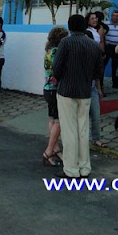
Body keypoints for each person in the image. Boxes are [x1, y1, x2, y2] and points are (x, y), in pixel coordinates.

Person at [52, 14, 104, 179]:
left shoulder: (65, 43)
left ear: (69, 27)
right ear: (84, 26)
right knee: (83, 130)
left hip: (67, 91)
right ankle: (84, 167)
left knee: (69, 131)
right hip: (85, 91)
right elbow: (99, 71)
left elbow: (57, 67)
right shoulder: (93, 45)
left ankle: (71, 169)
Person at [42, 26, 69, 166]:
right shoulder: (57, 52)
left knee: (52, 119)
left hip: (48, 89)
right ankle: (49, 150)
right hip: (55, 89)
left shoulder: (48, 50)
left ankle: (56, 149)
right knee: (59, 122)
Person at [104, 10, 118, 89]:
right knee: (104, 64)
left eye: (117, 16)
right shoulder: (106, 24)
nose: (115, 17)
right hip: (108, 46)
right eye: (113, 15)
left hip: (117, 47)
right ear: (111, 16)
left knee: (116, 65)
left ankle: (115, 84)